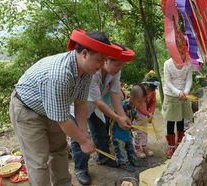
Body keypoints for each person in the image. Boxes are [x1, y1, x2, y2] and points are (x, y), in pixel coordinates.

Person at [9, 29, 130, 186]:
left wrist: (83, 134)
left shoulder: (87, 71)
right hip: (27, 111)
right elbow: (62, 119)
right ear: (85, 53)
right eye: (100, 60)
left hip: (52, 111)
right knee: (39, 161)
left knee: (59, 151)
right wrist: (83, 141)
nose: (101, 66)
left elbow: (80, 103)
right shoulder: (60, 75)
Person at [70, 43, 135, 185]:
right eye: (118, 65)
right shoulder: (92, 72)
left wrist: (122, 115)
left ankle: (103, 158)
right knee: (80, 137)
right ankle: (81, 168)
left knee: (100, 132)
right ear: (106, 60)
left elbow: (115, 93)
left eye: (122, 66)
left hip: (95, 106)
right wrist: (118, 118)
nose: (120, 69)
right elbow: (98, 101)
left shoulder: (114, 72)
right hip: (79, 106)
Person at [162, 58, 194, 158]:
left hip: (184, 95)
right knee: (171, 120)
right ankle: (171, 146)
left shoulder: (188, 63)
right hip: (171, 95)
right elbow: (168, 81)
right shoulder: (167, 63)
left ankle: (180, 142)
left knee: (181, 119)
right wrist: (177, 92)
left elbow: (189, 79)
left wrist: (186, 91)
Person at [111, 84, 147, 171]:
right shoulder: (122, 106)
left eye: (142, 102)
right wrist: (131, 127)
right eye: (139, 102)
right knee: (121, 149)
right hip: (118, 133)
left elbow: (132, 113)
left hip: (127, 132)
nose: (141, 104)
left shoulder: (133, 105)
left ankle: (132, 160)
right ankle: (124, 163)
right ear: (131, 97)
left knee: (130, 146)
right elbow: (120, 119)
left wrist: (135, 116)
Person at [133, 70, 160, 158]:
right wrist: (147, 113)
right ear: (145, 85)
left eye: (153, 90)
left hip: (145, 114)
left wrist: (151, 112)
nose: (150, 92)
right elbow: (137, 106)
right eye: (149, 89)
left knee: (144, 130)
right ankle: (137, 148)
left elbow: (153, 102)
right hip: (136, 114)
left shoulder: (152, 92)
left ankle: (144, 146)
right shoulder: (138, 91)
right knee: (137, 131)